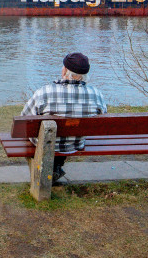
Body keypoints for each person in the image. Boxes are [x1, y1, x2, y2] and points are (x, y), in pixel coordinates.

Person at [21, 52, 108, 183]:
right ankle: (56, 166)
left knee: (47, 135)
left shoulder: (45, 92)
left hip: (45, 143)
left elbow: (24, 120)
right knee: (66, 134)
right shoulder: (96, 94)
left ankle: (49, 170)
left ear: (65, 70)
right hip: (76, 143)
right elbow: (102, 119)